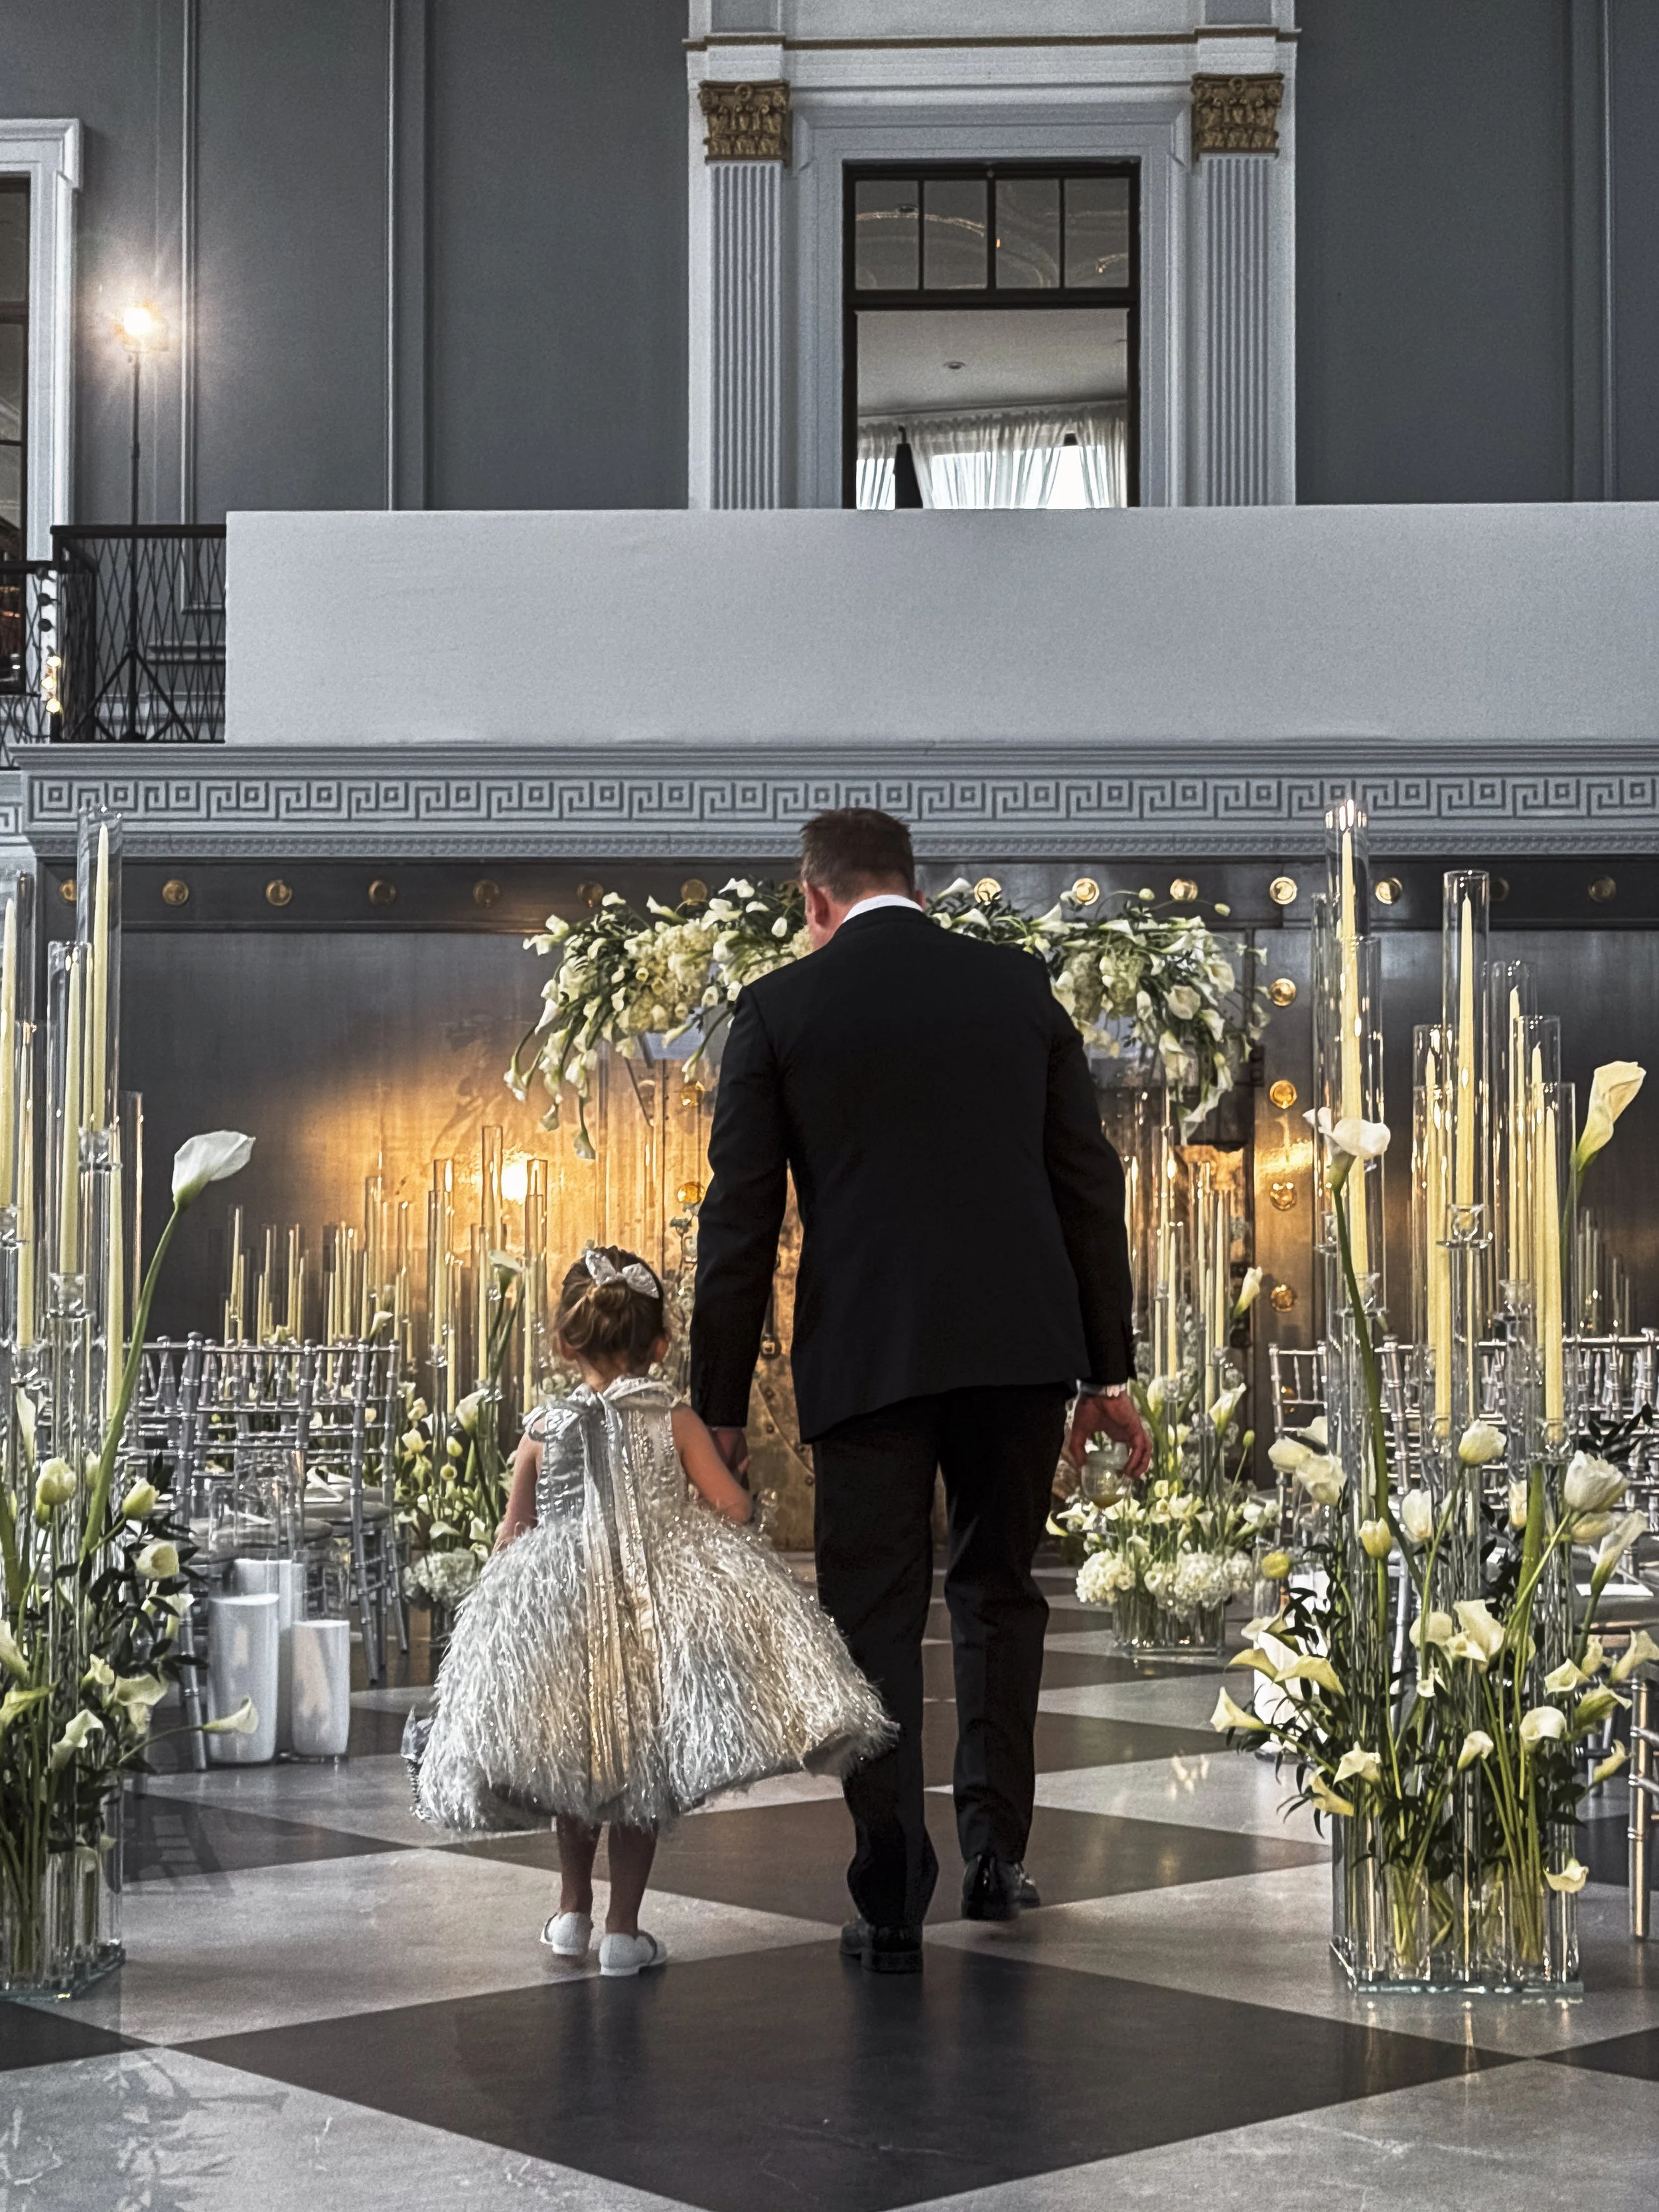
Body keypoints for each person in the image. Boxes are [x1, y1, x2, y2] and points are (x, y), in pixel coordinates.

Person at [690, 807, 1149, 1975]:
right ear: (918, 885)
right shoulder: (1016, 989)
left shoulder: (781, 1008)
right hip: (1021, 1348)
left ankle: (892, 1885)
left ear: (814, 898)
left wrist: (719, 1404)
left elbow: (738, 1222)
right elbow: (1087, 1183)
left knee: (874, 1617)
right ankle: (999, 1851)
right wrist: (1110, 1369)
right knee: (1000, 1591)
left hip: (870, 1355)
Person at [414, 1245, 894, 1978]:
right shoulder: (673, 1417)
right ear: (661, 1342)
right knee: (639, 1763)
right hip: (652, 1609)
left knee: (571, 1754)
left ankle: (571, 1910)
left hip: (558, 1613)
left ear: (563, 1340)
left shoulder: (542, 1429)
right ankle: (622, 1929)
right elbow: (730, 1508)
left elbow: (513, 1532)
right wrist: (720, 1504)